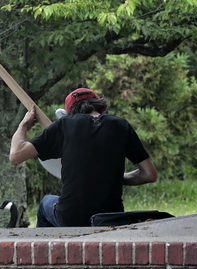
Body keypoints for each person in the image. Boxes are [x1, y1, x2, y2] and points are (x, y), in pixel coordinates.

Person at [9, 88, 158, 227]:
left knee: (45, 203)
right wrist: (114, 177)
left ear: (70, 111)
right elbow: (149, 174)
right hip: (111, 216)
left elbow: (16, 155)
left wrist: (23, 125)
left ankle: (47, 252)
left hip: (71, 217)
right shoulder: (121, 125)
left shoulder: (64, 125)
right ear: (99, 104)